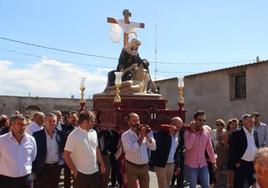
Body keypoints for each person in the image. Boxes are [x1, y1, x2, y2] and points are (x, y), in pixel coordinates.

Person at [64, 110, 106, 188]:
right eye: (92, 121)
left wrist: (102, 164)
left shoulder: (93, 132)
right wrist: (75, 172)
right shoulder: (73, 135)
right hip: (81, 174)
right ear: (85, 121)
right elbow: (66, 155)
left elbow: (96, 149)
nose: (94, 123)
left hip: (95, 172)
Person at [0, 114, 37, 188]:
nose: (22, 127)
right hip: (6, 180)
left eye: (24, 124)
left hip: (26, 179)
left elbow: (33, 157)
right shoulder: (2, 140)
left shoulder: (31, 139)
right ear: (12, 125)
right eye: (19, 124)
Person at [121, 113, 156, 188]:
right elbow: (133, 149)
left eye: (138, 120)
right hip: (131, 167)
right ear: (129, 122)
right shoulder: (125, 135)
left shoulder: (146, 132)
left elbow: (153, 147)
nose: (137, 123)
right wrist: (142, 137)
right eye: (134, 120)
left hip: (144, 167)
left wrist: (146, 135)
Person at [184, 111, 217, 188]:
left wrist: (213, 162)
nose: (202, 122)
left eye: (203, 120)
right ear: (195, 120)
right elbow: (188, 146)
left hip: (203, 164)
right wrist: (194, 132)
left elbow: (209, 148)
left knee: (206, 185)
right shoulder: (188, 132)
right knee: (192, 186)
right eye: (200, 120)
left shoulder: (206, 133)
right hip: (191, 165)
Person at [32, 113, 64, 188]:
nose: (52, 123)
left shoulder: (60, 135)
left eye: (54, 121)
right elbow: (32, 154)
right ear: (44, 122)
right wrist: (33, 170)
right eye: (49, 121)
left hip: (56, 168)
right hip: (42, 168)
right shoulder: (37, 135)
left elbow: (62, 150)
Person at [229, 114, 259, 188]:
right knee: (238, 184)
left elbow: (257, 146)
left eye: (252, 121)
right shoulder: (236, 133)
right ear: (243, 122)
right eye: (249, 121)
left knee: (254, 183)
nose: (252, 123)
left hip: (252, 163)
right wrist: (236, 162)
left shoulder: (255, 132)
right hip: (241, 163)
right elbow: (232, 149)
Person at [61, 111, 78, 188]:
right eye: (72, 117)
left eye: (75, 117)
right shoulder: (64, 128)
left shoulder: (79, 127)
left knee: (77, 173)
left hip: (78, 155)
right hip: (68, 154)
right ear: (68, 119)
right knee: (67, 175)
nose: (73, 119)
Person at [224, 118, 239, 188]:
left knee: (233, 170)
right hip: (229, 153)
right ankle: (228, 184)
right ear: (229, 125)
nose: (234, 125)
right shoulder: (227, 133)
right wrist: (233, 147)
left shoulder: (238, 132)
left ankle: (232, 185)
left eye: (236, 124)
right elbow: (226, 145)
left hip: (236, 154)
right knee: (229, 170)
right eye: (233, 124)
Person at [211, 119, 226, 184]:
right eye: (217, 124)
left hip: (224, 151)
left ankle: (221, 182)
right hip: (216, 150)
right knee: (217, 166)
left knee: (222, 166)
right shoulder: (213, 132)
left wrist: (223, 142)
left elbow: (227, 140)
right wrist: (218, 142)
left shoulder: (225, 132)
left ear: (223, 125)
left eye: (220, 125)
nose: (219, 126)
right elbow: (211, 141)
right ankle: (216, 181)